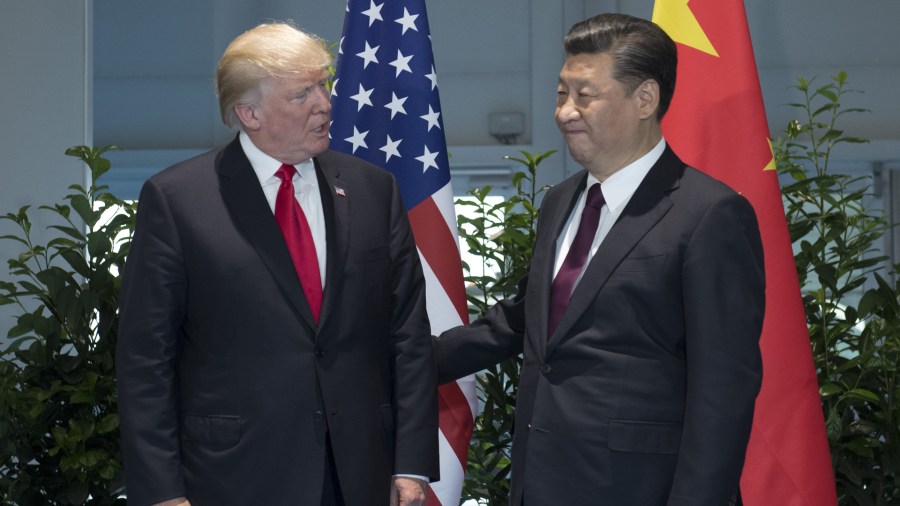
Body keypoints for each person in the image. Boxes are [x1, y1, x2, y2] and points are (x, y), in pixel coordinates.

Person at [434, 13, 765, 505]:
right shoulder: (559, 202)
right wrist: (394, 357)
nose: (566, 111)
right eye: (560, 94)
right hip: (540, 483)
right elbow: (525, 321)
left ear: (645, 100)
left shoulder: (711, 214)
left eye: (584, 95)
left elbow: (723, 394)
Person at [116, 22, 438, 506]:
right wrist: (162, 491)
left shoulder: (375, 189)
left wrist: (411, 463)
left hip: (360, 473)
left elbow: (407, 335)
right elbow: (145, 360)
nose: (324, 103)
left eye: (323, 85)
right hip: (233, 477)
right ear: (249, 113)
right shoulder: (178, 200)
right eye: (301, 94)